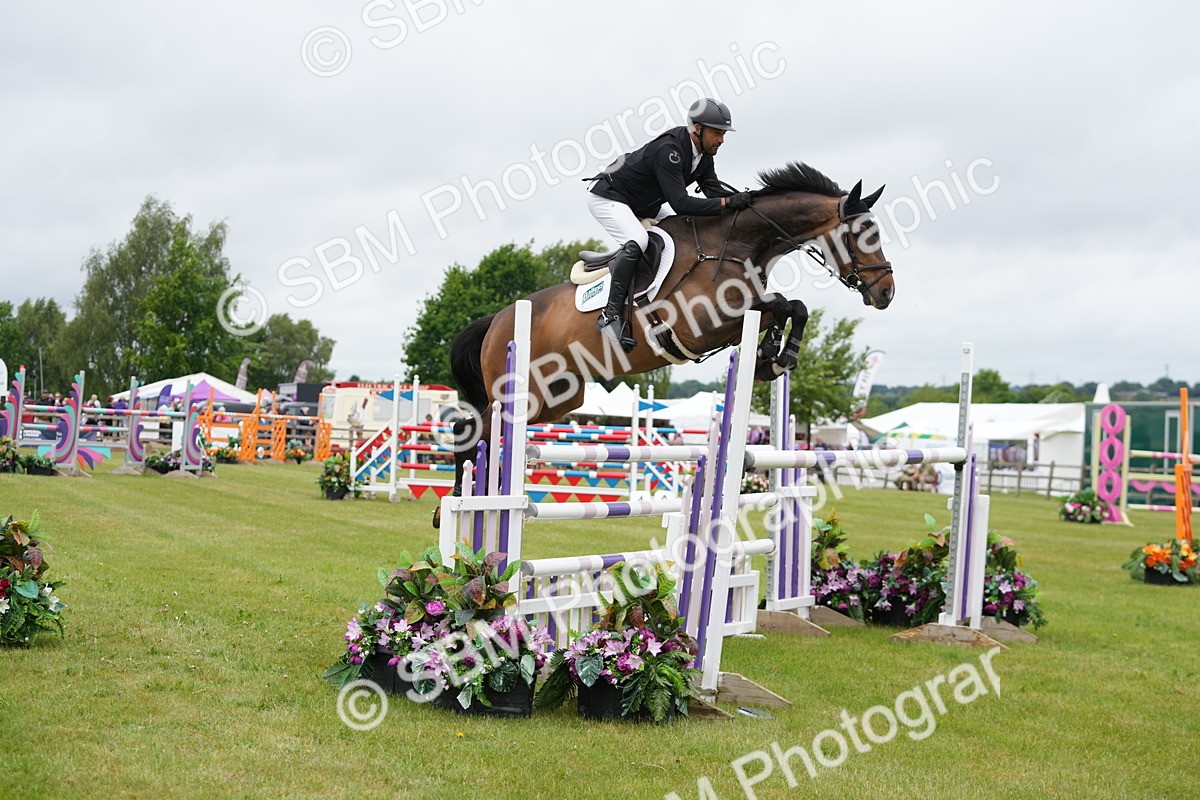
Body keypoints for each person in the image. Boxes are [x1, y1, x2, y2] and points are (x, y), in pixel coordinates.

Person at [587, 97, 752, 352]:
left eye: (723, 134)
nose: (721, 140)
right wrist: (727, 204)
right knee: (639, 241)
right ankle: (610, 316)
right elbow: (681, 203)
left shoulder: (704, 155)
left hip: (643, 203)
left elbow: (711, 189)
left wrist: (744, 201)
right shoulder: (670, 150)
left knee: (683, 229)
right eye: (717, 133)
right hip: (610, 196)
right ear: (698, 128)